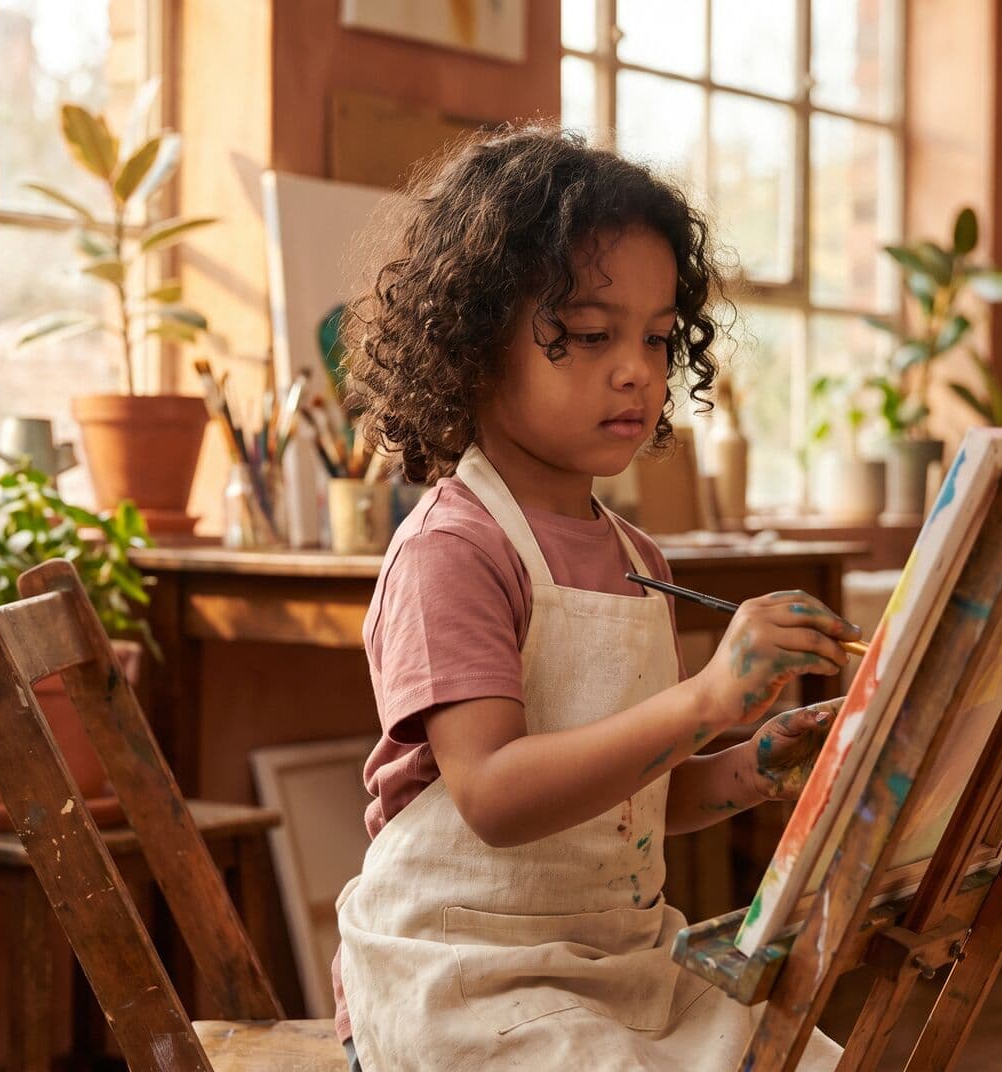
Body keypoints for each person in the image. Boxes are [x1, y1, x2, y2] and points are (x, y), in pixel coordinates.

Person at [333, 125, 854, 1071]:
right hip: (463, 977)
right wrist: (701, 701)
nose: (638, 370)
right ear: (476, 339)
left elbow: (629, 804)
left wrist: (750, 765)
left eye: (658, 338)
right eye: (589, 334)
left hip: (617, 965)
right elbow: (493, 795)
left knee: (804, 1057)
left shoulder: (636, 554)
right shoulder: (452, 548)